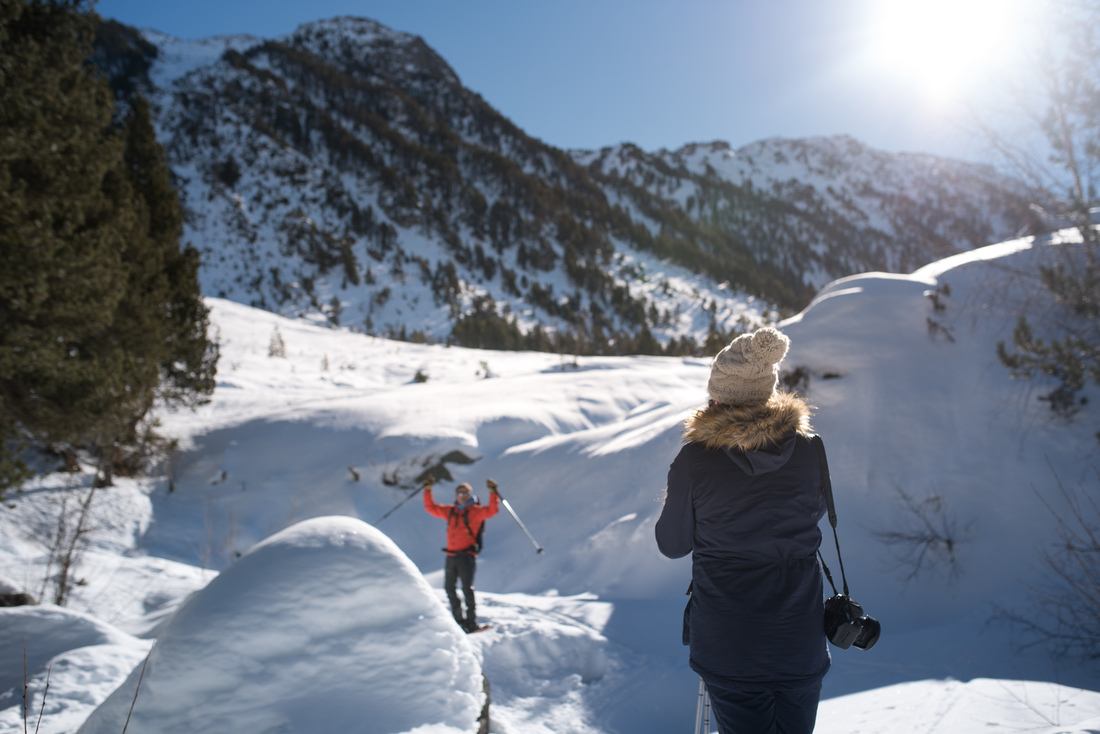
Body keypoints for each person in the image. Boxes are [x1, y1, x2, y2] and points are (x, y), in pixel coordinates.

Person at [655, 326, 829, 734]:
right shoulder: (809, 449)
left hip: (731, 642)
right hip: (800, 637)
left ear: (719, 397)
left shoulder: (696, 460)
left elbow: (673, 544)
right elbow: (813, 514)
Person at [423, 478, 499, 632]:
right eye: (460, 493)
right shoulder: (451, 511)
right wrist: (427, 490)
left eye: (465, 493)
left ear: (470, 494)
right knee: (449, 588)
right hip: (451, 556)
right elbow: (431, 508)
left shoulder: (476, 511)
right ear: (456, 495)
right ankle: (459, 622)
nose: (462, 495)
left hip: (466, 556)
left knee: (466, 589)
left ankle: (471, 623)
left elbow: (492, 510)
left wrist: (493, 493)